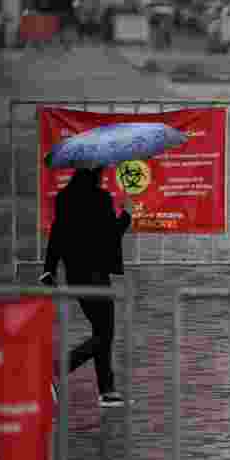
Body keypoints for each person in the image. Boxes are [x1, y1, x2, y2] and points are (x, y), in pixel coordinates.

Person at [39, 166, 132, 406]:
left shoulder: (64, 198)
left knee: (102, 331)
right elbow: (109, 236)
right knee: (105, 333)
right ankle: (57, 369)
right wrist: (124, 219)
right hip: (97, 276)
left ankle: (106, 390)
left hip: (75, 276)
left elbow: (57, 234)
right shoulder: (100, 199)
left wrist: (49, 268)